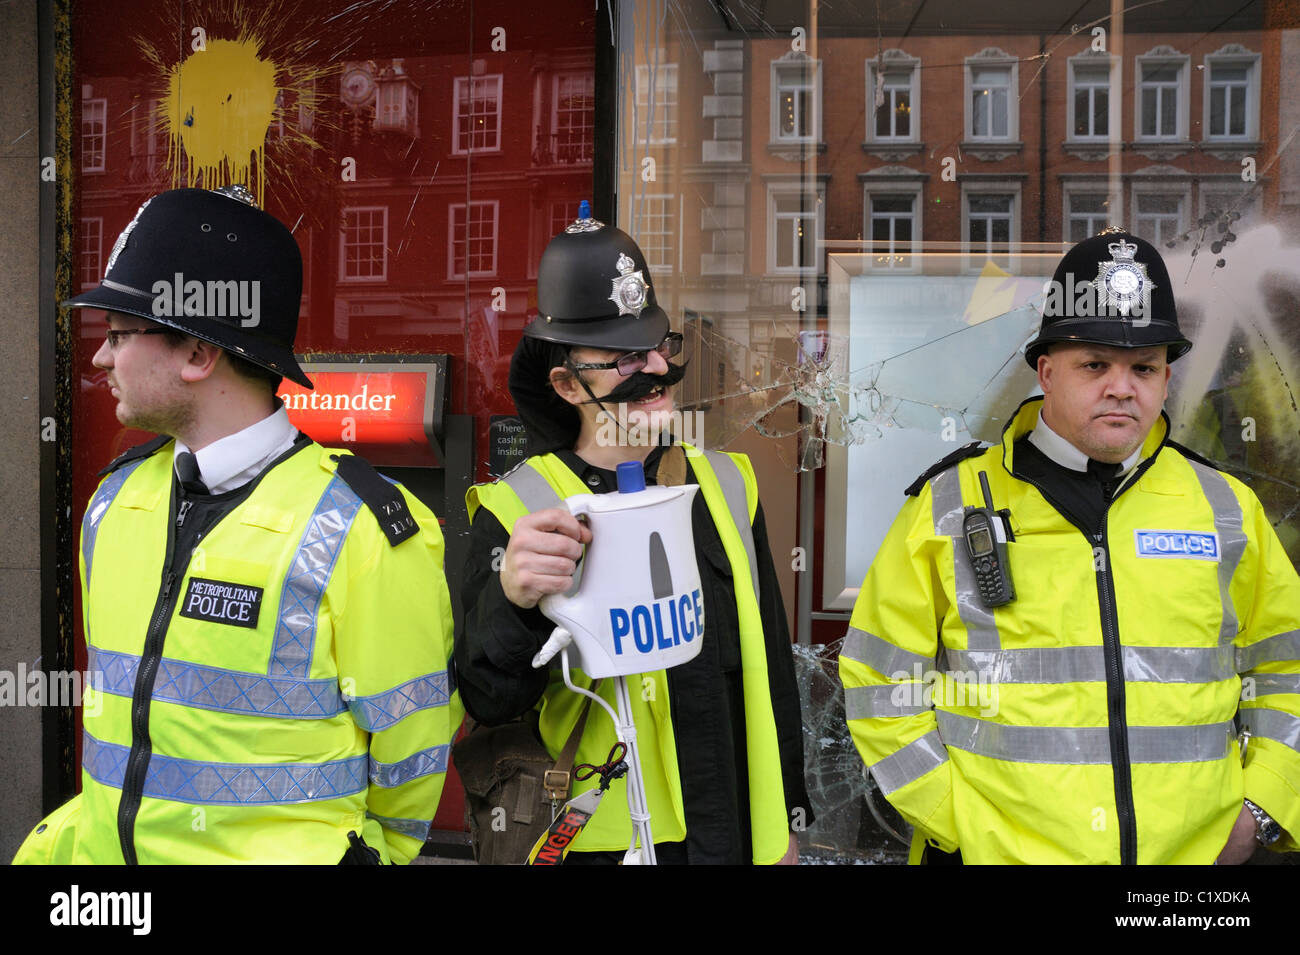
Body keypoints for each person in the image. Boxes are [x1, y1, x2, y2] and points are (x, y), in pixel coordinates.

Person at [13, 186, 459, 865]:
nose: (101, 358)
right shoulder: (114, 501)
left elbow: (411, 766)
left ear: (197, 353)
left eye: (119, 333)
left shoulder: (362, 527)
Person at [839, 229, 1300, 864]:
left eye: (1144, 367)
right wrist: (963, 822)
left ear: (1167, 377)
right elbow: (881, 684)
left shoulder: (1224, 508)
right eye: (1095, 365)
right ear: (1047, 371)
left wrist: (1260, 808)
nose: (1122, 387)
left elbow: (1288, 667)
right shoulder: (948, 506)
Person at [455, 206, 811, 864]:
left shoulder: (730, 485)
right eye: (625, 357)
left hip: (729, 827)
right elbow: (487, 696)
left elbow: (772, 668)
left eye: (658, 344)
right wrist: (514, 600)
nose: (655, 367)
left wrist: (787, 814)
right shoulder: (514, 507)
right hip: (601, 838)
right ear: (566, 383)